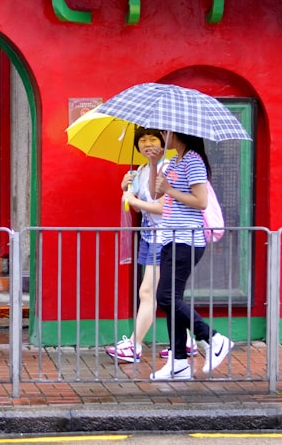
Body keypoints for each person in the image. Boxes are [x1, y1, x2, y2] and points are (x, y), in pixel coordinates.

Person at [149, 131, 233, 380]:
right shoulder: (174, 161)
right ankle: (178, 362)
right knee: (171, 299)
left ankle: (213, 337)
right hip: (170, 237)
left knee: (165, 297)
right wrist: (155, 166)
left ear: (178, 132)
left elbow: (201, 201)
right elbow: (156, 195)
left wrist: (170, 190)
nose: (164, 136)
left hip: (187, 239)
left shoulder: (193, 160)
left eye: (166, 132)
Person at [106, 127, 168, 363]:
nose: (147, 144)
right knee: (168, 293)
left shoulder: (166, 168)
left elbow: (164, 207)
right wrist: (127, 190)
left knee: (147, 292)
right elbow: (137, 208)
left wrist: (133, 199)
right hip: (149, 237)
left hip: (165, 237)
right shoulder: (141, 170)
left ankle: (135, 345)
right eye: (142, 140)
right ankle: (187, 342)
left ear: (163, 142)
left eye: (153, 139)